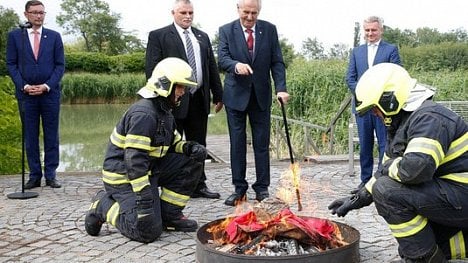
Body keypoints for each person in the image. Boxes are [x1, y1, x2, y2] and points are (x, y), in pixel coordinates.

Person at [329, 63, 468, 262]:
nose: (375, 113)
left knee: (387, 191)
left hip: (461, 194)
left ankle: (424, 259)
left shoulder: (429, 118)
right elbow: (386, 170)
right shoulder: (402, 122)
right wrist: (357, 199)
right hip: (454, 196)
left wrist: (388, 168)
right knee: (413, 246)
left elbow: (414, 170)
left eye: (375, 108)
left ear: (390, 98)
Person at [84, 58, 207, 243]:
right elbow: (134, 160)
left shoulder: (165, 111)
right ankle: (102, 205)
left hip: (149, 170)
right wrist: (144, 195)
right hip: (124, 178)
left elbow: (172, 144)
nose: (183, 92)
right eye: (180, 86)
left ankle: (170, 215)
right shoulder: (144, 115)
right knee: (147, 232)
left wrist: (189, 147)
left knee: (193, 160)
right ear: (166, 85)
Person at [145, 0, 223, 199]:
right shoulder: (159, 36)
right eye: (183, 12)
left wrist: (219, 95)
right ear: (173, 13)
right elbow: (152, 69)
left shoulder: (202, 37)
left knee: (199, 143)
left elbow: (211, 68)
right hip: (173, 100)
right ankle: (173, 185)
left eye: (190, 13)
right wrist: (160, 98)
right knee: (171, 143)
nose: (187, 16)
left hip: (199, 98)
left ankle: (199, 184)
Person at [218, 0, 289, 206]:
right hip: (235, 97)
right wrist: (235, 65)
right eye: (246, 12)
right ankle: (239, 189)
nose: (250, 17)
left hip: (261, 96)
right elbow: (222, 58)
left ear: (259, 11)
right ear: (238, 9)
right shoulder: (226, 30)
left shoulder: (269, 30)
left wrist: (281, 88)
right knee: (237, 144)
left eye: (254, 13)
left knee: (261, 144)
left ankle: (262, 188)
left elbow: (277, 61)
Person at [6, 0, 65, 189]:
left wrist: (47, 85)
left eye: (42, 12)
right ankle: (34, 175)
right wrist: (23, 85)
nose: (39, 16)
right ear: (26, 15)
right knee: (30, 136)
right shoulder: (16, 37)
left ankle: (51, 175)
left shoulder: (54, 37)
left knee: (51, 135)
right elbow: (11, 64)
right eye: (35, 12)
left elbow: (60, 66)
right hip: (26, 95)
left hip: (49, 94)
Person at [346, 16, 401, 192]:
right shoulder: (356, 52)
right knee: (365, 144)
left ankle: (382, 180)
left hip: (383, 108)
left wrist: (378, 96)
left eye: (374, 30)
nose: (370, 33)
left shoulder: (391, 50)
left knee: (384, 144)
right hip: (362, 107)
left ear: (381, 30)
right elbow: (350, 78)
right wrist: (365, 94)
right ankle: (365, 180)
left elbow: (396, 74)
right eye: (367, 30)